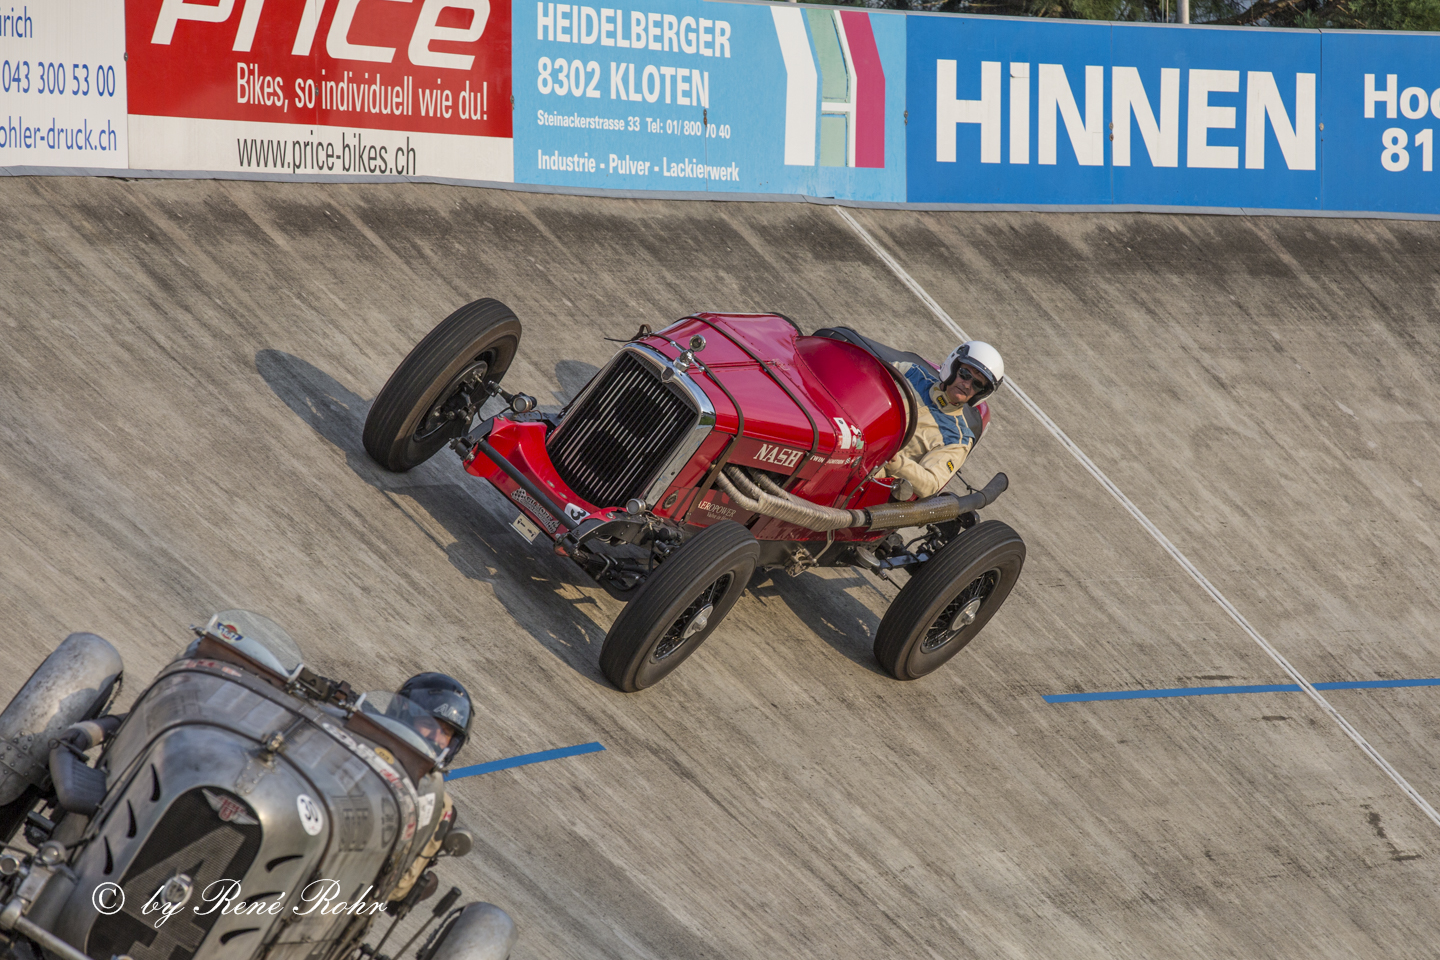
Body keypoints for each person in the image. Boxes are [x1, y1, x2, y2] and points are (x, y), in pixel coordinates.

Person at [882, 340, 1005, 499]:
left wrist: (894, 460)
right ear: (953, 367)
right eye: (965, 374)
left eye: (977, 384)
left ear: (981, 393)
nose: (967, 385)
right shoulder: (910, 372)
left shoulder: (957, 439)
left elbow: (931, 483)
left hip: (869, 474)